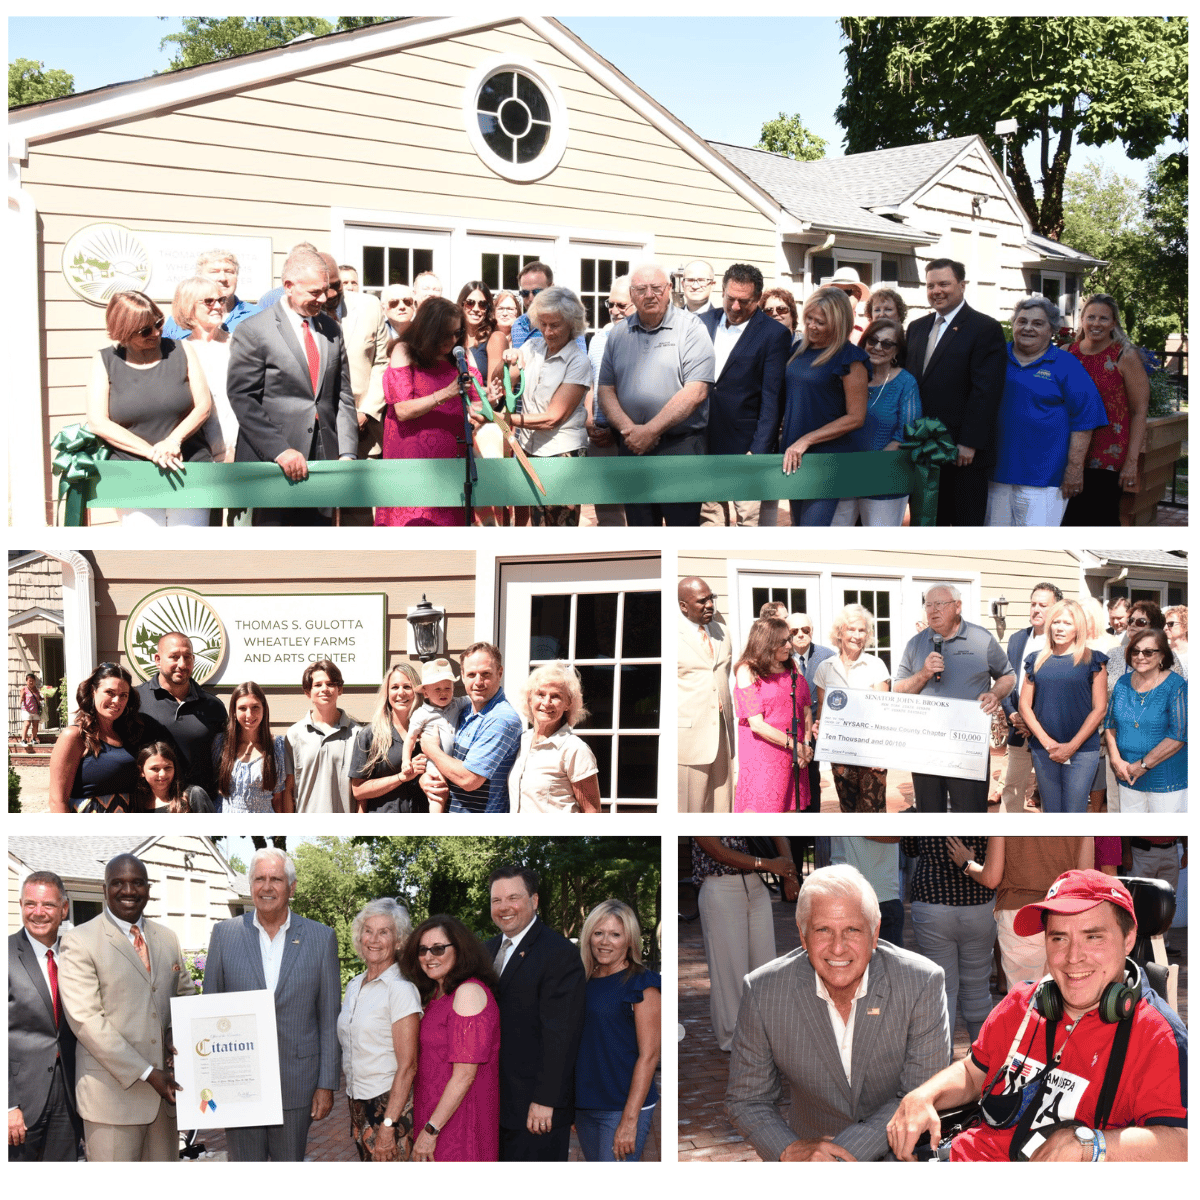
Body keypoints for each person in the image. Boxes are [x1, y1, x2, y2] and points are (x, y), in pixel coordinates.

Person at [887, 870, 1187, 1162]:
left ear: (1128, 939)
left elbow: (1184, 1144)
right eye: (1058, 938)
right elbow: (972, 1072)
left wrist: (1092, 1146)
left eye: (1092, 937)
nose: (1072, 957)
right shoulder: (1022, 1002)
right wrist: (924, 1096)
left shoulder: (1157, 1035)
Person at [726, 864, 951, 1162]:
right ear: (803, 936)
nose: (838, 947)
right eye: (822, 930)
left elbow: (920, 1093)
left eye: (852, 930)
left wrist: (836, 1161)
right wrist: (790, 1150)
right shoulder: (763, 991)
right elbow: (748, 1098)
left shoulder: (922, 982)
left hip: (903, 1155)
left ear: (875, 933)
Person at [204, 847, 341, 1161]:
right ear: (250, 885)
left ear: (291, 888)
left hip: (296, 1082)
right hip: (238, 1083)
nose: (267, 887)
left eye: (276, 879)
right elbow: (209, 1011)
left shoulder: (321, 938)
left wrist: (326, 1084)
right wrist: (207, 1079)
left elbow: (328, 1017)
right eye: (259, 879)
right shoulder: (225, 935)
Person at [57, 853, 197, 1161]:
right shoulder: (80, 941)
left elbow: (184, 995)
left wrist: (178, 1032)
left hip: (165, 1103)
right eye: (118, 883)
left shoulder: (167, 938)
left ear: (148, 888)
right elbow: (87, 1021)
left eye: (137, 883)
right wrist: (147, 1072)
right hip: (111, 1102)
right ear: (104, 889)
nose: (128, 890)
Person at [227, 246, 359, 525]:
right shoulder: (254, 330)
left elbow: (342, 394)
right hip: (273, 460)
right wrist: (279, 449)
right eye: (314, 292)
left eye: (325, 290)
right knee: (273, 552)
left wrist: (347, 451)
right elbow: (242, 397)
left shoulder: (331, 329)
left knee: (317, 548)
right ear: (289, 286)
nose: (323, 299)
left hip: (325, 454)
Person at [597, 263, 715, 526]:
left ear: (669, 289)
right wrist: (630, 430)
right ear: (632, 294)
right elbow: (605, 389)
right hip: (631, 447)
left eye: (656, 288)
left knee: (681, 532)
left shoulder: (692, 329)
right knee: (642, 535)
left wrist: (650, 431)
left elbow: (697, 390)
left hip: (679, 449)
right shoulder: (618, 334)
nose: (649, 295)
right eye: (641, 289)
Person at [484, 866, 587, 1161]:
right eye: (496, 900)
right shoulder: (486, 951)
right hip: (494, 1102)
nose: (504, 907)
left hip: (535, 1108)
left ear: (535, 900)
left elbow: (562, 1033)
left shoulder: (558, 954)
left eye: (513, 897)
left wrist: (545, 1099)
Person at [86, 290, 213, 526]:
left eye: (158, 323)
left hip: (188, 466)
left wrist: (173, 441)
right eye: (145, 331)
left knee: (191, 550)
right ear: (123, 331)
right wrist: (151, 452)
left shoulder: (181, 350)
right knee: (146, 552)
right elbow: (98, 421)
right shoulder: (104, 361)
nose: (156, 333)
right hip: (133, 473)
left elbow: (203, 405)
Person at [893, 584, 1015, 813]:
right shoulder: (915, 644)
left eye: (940, 604)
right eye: (928, 605)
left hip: (968, 745)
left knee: (969, 815)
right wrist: (923, 674)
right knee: (930, 815)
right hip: (926, 746)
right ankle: (932, 851)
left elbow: (1007, 675)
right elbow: (897, 689)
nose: (933, 610)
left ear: (957, 606)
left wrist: (995, 693)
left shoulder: (981, 639)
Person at [988, 297, 1108, 526]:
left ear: (1052, 329)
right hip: (995, 474)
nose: (1028, 328)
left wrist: (1074, 469)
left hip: (1044, 479)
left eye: (1037, 323)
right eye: (1021, 321)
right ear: (1013, 325)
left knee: (1035, 548)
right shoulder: (995, 357)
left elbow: (1085, 419)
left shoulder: (1066, 364)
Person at [904, 258, 1007, 525]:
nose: (936, 291)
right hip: (922, 450)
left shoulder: (984, 328)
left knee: (963, 525)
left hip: (963, 454)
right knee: (926, 523)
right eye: (930, 285)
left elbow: (986, 390)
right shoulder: (916, 328)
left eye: (944, 284)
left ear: (962, 285)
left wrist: (969, 442)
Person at [400, 915, 501, 1162]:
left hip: (458, 1120)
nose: (428, 957)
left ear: (460, 949)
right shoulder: (439, 993)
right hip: (436, 1111)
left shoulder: (468, 992)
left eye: (438, 949)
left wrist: (430, 1130)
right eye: (422, 950)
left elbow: (465, 1075)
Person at [698, 263, 791, 528]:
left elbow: (773, 399)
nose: (736, 307)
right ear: (722, 292)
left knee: (749, 524)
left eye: (745, 301)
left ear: (758, 299)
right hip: (703, 443)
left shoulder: (774, 334)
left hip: (745, 447)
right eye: (731, 299)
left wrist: (758, 450)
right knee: (709, 522)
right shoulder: (703, 322)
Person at [494, 286, 593, 526]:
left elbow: (553, 418)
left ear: (572, 324)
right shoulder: (531, 348)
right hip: (530, 449)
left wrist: (501, 420)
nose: (548, 332)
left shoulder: (578, 361)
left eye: (555, 325)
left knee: (561, 527)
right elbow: (501, 380)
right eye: (543, 324)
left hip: (562, 454)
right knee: (538, 525)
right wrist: (507, 360)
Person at [692, 837, 797, 1053]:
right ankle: (735, 1041)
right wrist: (769, 865)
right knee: (729, 971)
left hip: (756, 885)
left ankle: (768, 1037)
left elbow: (777, 831)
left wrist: (789, 874)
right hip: (720, 886)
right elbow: (718, 852)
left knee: (766, 969)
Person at [575, 900, 662, 1162]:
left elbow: (649, 1056)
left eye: (615, 934)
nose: (605, 941)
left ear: (629, 941)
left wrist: (629, 1120)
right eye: (598, 933)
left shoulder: (643, 984)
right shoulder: (582, 982)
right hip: (585, 1103)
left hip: (623, 1105)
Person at [338, 899, 421, 1163]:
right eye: (368, 930)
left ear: (398, 941)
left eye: (384, 932)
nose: (373, 939)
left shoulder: (401, 989)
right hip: (358, 1102)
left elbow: (408, 1066)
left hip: (388, 1105)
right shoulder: (354, 986)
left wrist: (388, 1124)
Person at [374, 295, 468, 527]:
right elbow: (403, 410)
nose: (452, 339)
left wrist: (486, 401)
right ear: (429, 330)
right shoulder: (404, 351)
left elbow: (473, 404)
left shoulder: (457, 357)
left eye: (456, 333)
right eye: (446, 333)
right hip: (413, 461)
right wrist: (445, 394)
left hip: (450, 467)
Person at [955, 836, 1092, 993]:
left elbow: (991, 878)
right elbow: (1083, 881)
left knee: (1025, 1004)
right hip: (1064, 914)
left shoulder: (1006, 813)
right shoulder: (1079, 812)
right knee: (1063, 1001)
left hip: (1021, 914)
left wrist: (967, 864)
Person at [779, 286, 869, 526]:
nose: (811, 325)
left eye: (820, 321)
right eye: (809, 318)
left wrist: (807, 440)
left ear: (838, 323)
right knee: (798, 527)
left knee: (812, 532)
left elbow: (856, 417)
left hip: (826, 460)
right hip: (793, 454)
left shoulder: (851, 358)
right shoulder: (798, 350)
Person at [9, 870, 81, 1161]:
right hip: (21, 1103)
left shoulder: (76, 954)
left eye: (48, 905)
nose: (38, 913)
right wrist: (8, 1105)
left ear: (64, 909)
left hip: (69, 1095)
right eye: (30, 904)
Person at [1063, 293, 1150, 526]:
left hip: (1108, 456)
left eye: (1104, 318)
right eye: (1090, 317)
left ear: (1113, 323)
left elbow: (1139, 411)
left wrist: (1132, 462)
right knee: (1066, 520)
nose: (1096, 324)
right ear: (1081, 320)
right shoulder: (1065, 353)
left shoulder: (1124, 356)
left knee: (1101, 519)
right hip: (1068, 452)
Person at [1017, 599, 1109, 813]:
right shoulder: (1035, 660)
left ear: (1079, 627)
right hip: (1044, 750)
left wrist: (1071, 746)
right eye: (1056, 622)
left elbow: (1100, 709)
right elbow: (1024, 705)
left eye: (1067, 623)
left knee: (1074, 812)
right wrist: (1047, 743)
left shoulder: (1094, 661)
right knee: (1051, 811)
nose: (1059, 628)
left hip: (1082, 751)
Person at [900, 837, 996, 1041]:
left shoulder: (926, 808)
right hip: (978, 902)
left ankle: (941, 1064)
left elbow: (908, 847)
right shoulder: (983, 809)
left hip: (932, 903)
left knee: (943, 990)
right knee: (978, 988)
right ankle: (983, 1062)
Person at [831, 317, 922, 526]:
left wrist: (869, 470)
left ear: (897, 350)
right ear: (863, 342)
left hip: (885, 476)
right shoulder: (849, 374)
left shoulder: (906, 383)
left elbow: (905, 435)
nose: (878, 347)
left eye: (887, 343)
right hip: (844, 474)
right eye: (873, 340)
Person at [48, 663, 169, 813]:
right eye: (110, 693)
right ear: (93, 691)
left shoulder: (129, 735)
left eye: (123, 695)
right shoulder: (74, 736)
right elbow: (57, 800)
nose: (117, 701)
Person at [320, 252, 389, 509]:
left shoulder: (369, 306)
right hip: (320, 428)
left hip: (365, 427)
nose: (330, 295)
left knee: (360, 508)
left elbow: (382, 363)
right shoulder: (307, 311)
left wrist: (366, 411)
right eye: (325, 288)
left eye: (336, 285)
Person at [419, 642, 522, 814]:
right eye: (472, 674)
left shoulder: (502, 719)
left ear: (500, 673)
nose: (478, 682)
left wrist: (431, 750)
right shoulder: (463, 711)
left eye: (486, 674)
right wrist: (427, 778)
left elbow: (469, 779)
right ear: (463, 676)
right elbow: (447, 761)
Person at [813, 603, 891, 812]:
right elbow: (822, 708)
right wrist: (819, 727)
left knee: (873, 813)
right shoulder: (825, 668)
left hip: (870, 751)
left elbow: (882, 713)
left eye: (862, 630)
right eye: (851, 629)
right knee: (848, 810)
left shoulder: (876, 666)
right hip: (840, 751)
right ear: (840, 632)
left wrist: (881, 752)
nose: (857, 635)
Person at [1103, 628, 1187, 813]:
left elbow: (1178, 735)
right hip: (1128, 775)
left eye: (1148, 652)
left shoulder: (1176, 685)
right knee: (1134, 835)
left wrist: (1143, 765)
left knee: (1163, 837)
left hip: (1166, 777)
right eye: (1135, 651)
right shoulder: (1122, 683)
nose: (1140, 656)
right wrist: (1116, 760)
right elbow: (1110, 724)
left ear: (1162, 656)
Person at [732, 616, 811, 813]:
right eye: (783, 641)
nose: (789, 644)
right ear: (766, 643)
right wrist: (797, 746)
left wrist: (807, 745)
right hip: (764, 756)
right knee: (764, 818)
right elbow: (757, 724)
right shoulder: (747, 670)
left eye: (788, 639)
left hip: (796, 754)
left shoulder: (792, 666)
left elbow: (806, 709)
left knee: (791, 815)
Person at [135, 631, 226, 797]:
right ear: (157, 660)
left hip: (199, 806)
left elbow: (224, 761)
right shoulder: (136, 701)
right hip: (149, 805)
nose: (182, 664)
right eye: (174, 656)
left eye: (188, 657)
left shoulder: (213, 707)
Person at [998, 582, 1062, 813]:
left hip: (1050, 734)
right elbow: (1006, 681)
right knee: (1012, 790)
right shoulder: (1016, 640)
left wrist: (1035, 723)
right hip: (1018, 730)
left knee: (1050, 792)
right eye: (1033, 604)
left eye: (1043, 605)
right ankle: (1005, 844)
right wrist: (1013, 714)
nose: (1036, 609)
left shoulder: (1063, 644)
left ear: (1056, 608)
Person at [510, 661, 601, 813]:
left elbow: (592, 812)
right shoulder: (521, 741)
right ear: (530, 699)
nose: (547, 702)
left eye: (556, 696)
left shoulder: (575, 749)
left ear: (568, 703)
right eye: (540, 694)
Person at [677, 576, 735, 813]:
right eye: (702, 601)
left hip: (723, 732)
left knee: (722, 807)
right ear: (684, 606)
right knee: (690, 810)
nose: (710, 604)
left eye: (711, 598)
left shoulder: (722, 631)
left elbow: (723, 674)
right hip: (689, 736)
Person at [169, 275, 238, 465]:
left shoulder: (238, 344)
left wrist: (237, 448)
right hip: (197, 453)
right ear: (188, 306)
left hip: (239, 450)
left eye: (221, 300)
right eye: (208, 301)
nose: (217, 306)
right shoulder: (178, 352)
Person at [581, 275, 632, 528]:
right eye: (610, 304)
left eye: (621, 305)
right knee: (607, 513)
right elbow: (589, 383)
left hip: (630, 436)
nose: (614, 310)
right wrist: (589, 420)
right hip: (598, 436)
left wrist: (616, 429)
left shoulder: (642, 338)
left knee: (636, 510)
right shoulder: (598, 339)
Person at [350, 664, 430, 813]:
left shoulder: (429, 730)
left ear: (417, 691)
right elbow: (358, 790)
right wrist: (401, 777)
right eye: (394, 687)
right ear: (387, 693)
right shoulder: (369, 735)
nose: (401, 693)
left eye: (407, 686)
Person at [284, 659, 358, 814]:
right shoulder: (294, 735)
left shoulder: (357, 734)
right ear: (307, 693)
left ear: (340, 689)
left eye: (330, 684)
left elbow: (362, 792)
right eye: (317, 685)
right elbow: (288, 791)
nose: (324, 689)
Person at [212, 681, 290, 813]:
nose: (249, 714)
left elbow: (278, 799)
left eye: (255, 707)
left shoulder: (277, 746)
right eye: (242, 708)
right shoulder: (221, 743)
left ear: (263, 709)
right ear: (234, 712)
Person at [402, 657, 470, 794]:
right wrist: (405, 760)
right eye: (437, 689)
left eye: (447, 688)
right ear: (426, 692)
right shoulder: (421, 714)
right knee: (438, 789)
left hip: (457, 761)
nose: (443, 692)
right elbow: (410, 738)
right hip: (434, 762)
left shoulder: (457, 704)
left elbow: (475, 698)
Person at [161, 248, 258, 339]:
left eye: (229, 272)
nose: (223, 278)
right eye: (214, 272)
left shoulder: (256, 316)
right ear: (200, 278)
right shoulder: (180, 320)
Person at [790, 612, 835, 808]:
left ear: (812, 631)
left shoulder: (827, 657)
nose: (800, 634)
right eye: (794, 631)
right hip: (787, 730)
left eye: (805, 629)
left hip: (816, 729)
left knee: (812, 781)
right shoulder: (780, 655)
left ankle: (813, 833)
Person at [134, 741, 214, 813]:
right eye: (155, 769)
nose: (162, 774)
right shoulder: (136, 803)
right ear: (141, 771)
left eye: (167, 768)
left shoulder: (193, 795)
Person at [826, 265, 873, 342]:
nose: (840, 297)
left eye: (846, 292)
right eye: (834, 292)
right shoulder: (817, 325)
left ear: (858, 295)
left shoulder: (869, 329)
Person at [19, 672, 41, 748]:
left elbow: (39, 698)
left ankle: (33, 739)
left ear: (35, 681)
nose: (31, 682)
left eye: (32, 680)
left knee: (35, 726)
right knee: (27, 724)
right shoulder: (24, 689)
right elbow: (21, 698)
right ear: (26, 681)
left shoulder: (36, 690)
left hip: (35, 710)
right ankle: (23, 740)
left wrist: (45, 697)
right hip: (26, 710)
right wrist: (21, 699)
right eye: (29, 680)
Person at [1164, 605, 1188, 671]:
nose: (1165, 628)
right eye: (1164, 624)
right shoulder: (1162, 652)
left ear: (1185, 625)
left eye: (1170, 624)